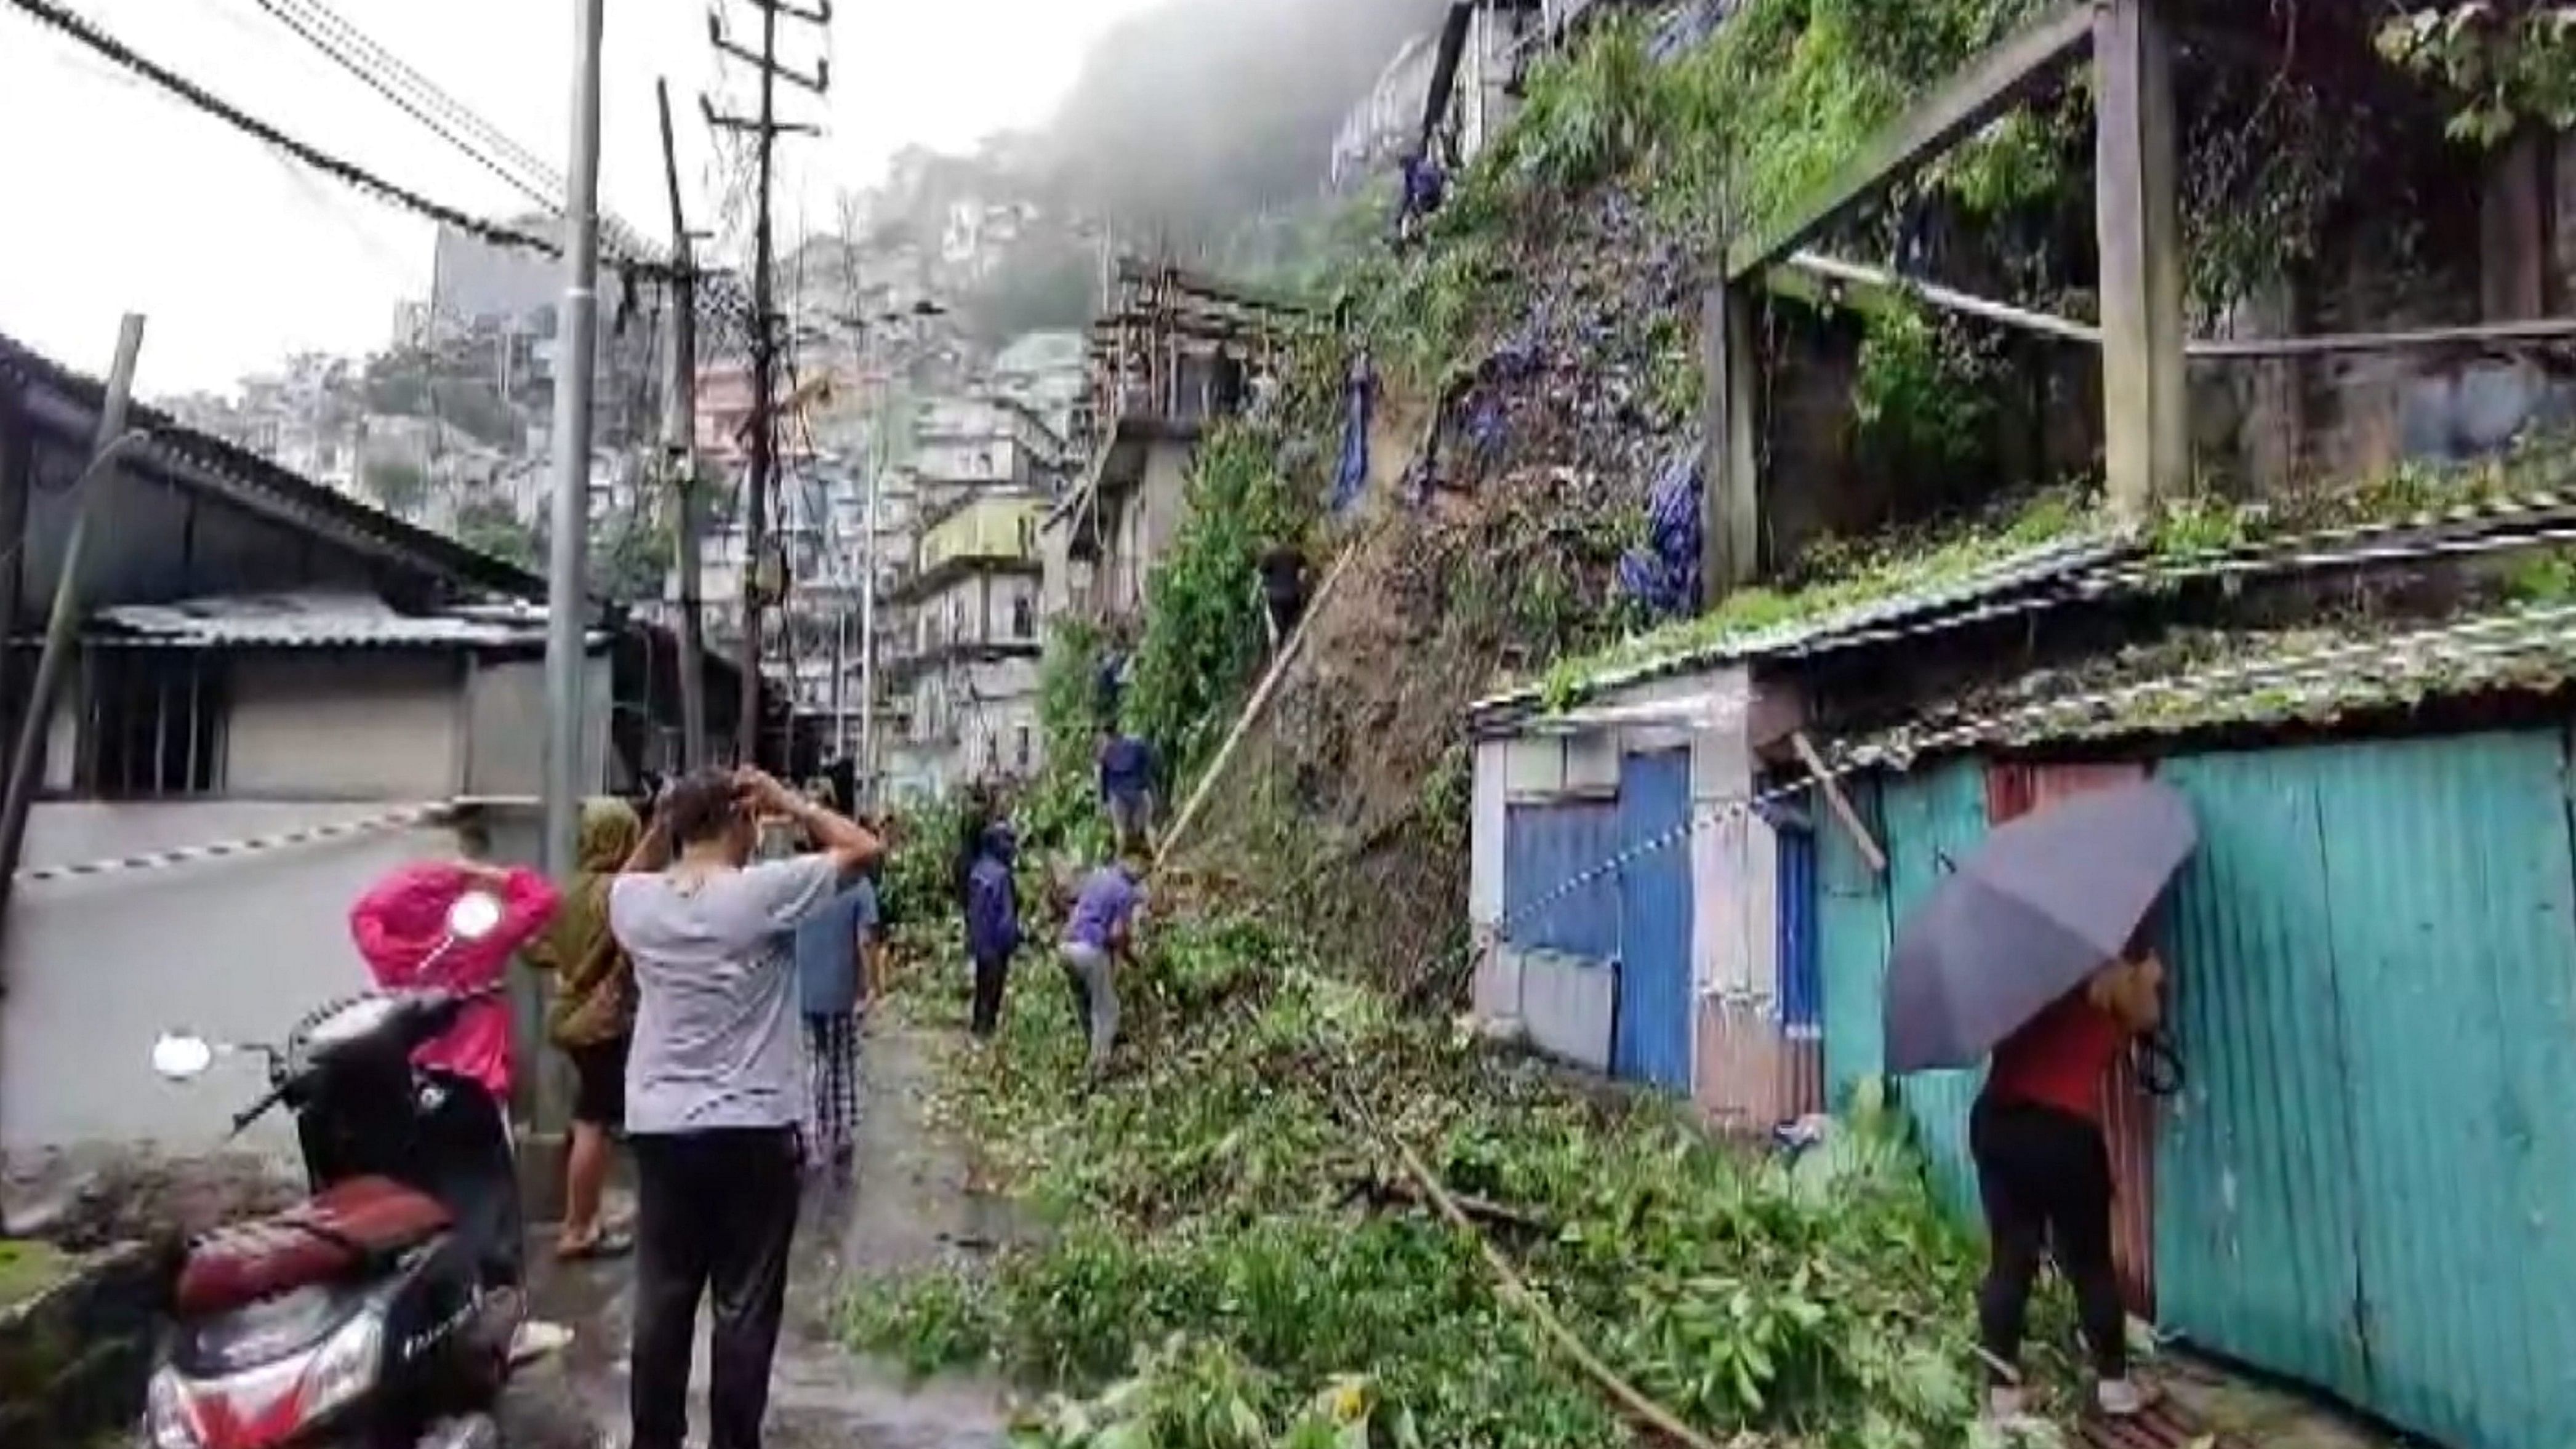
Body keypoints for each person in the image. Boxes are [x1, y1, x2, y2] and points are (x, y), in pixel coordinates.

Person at [609, 768, 884, 1449]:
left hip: (664, 1130)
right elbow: (865, 849)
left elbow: (628, 873)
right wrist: (790, 802)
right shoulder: (761, 893)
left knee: (664, 1299)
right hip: (755, 1130)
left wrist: (665, 819)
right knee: (745, 1307)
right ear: (743, 821)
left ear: (675, 827)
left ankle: (655, 1440)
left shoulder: (636, 903)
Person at [1970, 942, 2166, 1422]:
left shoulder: (2020, 978)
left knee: (2011, 1258)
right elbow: (2149, 1017)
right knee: (2090, 1261)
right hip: (2060, 1131)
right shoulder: (2113, 978)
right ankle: (2114, 1387)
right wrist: (2151, 974)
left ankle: (2001, 1393)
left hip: (1996, 1120)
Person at [347, 856, 560, 1293]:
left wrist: (420, 879)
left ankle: (447, 1287)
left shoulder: (388, 951)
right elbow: (542, 897)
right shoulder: (479, 943)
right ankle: (497, 1299)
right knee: (492, 1196)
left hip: (418, 1079)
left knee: (434, 1194)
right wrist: (476, 873)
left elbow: (363, 912)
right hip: (478, 1086)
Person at [522, 798, 644, 1261]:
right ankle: (579, 1227)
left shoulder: (565, 892)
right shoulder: (613, 892)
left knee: (585, 1118)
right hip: (602, 1022)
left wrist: (565, 970)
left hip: (571, 1018)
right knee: (595, 1122)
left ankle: (583, 1214)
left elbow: (531, 947)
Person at [793, 858, 880, 1171]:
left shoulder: (802, 880)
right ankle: (842, 1129)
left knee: (812, 1062)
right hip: (840, 991)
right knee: (842, 1059)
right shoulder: (859, 885)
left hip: (803, 990)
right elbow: (865, 940)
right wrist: (870, 987)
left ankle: (811, 1135)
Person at [1059, 853, 1146, 1077]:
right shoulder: (1124, 890)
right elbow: (1117, 933)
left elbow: (1076, 909)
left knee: (1086, 1006)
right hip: (1089, 950)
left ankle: (1092, 1056)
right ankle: (1098, 1069)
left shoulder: (1097, 875)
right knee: (1107, 1011)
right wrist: (1131, 957)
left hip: (1067, 948)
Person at [963, 822, 1021, 1041]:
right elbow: (1007, 916)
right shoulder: (1002, 875)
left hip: (979, 940)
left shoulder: (978, 870)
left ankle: (977, 1030)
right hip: (997, 943)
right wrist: (1014, 941)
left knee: (981, 987)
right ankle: (986, 1034)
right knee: (993, 990)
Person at [1097, 729, 1155, 855]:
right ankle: (1157, 856)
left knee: (1120, 829)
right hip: (1139, 790)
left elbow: (1103, 777)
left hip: (1118, 794)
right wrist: (1147, 784)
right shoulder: (1137, 743)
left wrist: (1104, 800)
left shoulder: (1106, 751)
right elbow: (1148, 763)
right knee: (1147, 826)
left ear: (1107, 735)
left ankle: (1119, 860)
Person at [1256, 540, 1309, 654]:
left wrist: (1264, 594)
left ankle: (1278, 659)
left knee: (1277, 629)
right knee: (1291, 626)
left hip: (1276, 598)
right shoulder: (1296, 553)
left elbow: (1262, 579)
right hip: (1292, 596)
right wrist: (1300, 589)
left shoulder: (1269, 556)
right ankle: (1291, 652)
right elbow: (1303, 574)